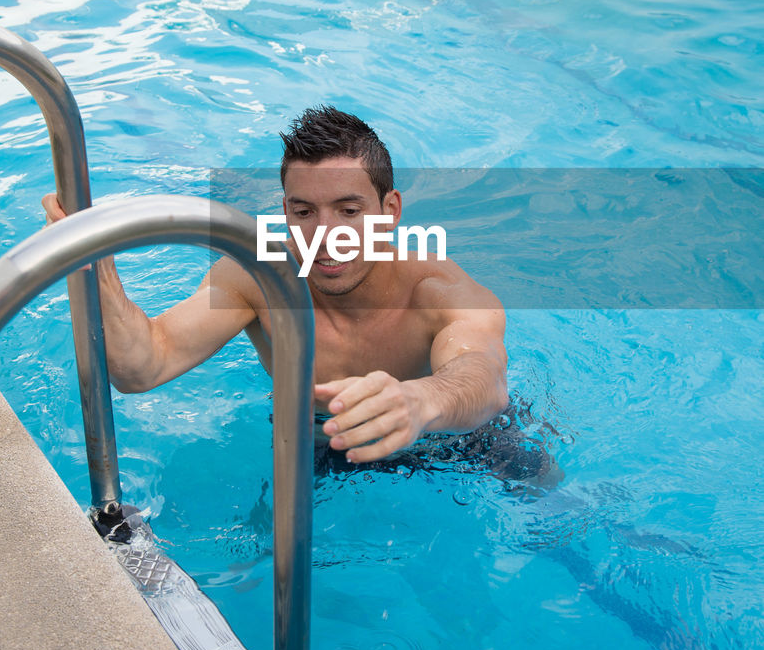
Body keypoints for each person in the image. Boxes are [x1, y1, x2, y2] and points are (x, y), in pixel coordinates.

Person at [42, 106, 510, 466]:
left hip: (453, 441)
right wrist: (96, 269)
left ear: (390, 211)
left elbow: (484, 381)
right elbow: (141, 367)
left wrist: (421, 399)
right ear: (285, 211)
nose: (326, 234)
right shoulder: (257, 278)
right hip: (319, 442)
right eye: (304, 212)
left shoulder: (438, 292)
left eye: (349, 211)